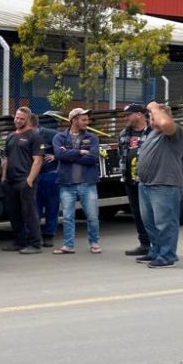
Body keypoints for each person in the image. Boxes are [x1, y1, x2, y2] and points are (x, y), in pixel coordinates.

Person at [136, 101, 183, 268]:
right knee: (150, 223)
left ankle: (167, 256)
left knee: (165, 223)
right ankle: (156, 251)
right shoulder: (153, 133)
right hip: (147, 184)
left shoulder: (174, 132)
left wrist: (154, 107)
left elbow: (165, 123)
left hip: (164, 184)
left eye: (155, 117)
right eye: (150, 117)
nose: (153, 120)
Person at [52, 107, 101, 255]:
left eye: (87, 119)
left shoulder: (92, 138)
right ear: (74, 120)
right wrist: (80, 152)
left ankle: (94, 243)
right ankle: (68, 245)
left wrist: (69, 154)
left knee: (92, 216)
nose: (87, 122)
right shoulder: (59, 137)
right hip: (67, 184)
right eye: (83, 119)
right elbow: (59, 154)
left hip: (87, 183)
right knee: (67, 216)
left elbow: (93, 158)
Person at [1, 106, 44, 255]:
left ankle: (35, 243)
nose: (18, 120)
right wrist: (4, 177)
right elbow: (5, 158)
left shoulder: (34, 136)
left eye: (21, 119)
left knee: (29, 212)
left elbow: (38, 160)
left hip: (25, 180)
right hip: (11, 181)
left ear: (28, 120)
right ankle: (20, 241)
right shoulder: (11, 136)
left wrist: (30, 180)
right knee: (14, 212)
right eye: (17, 117)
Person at [118, 104, 152, 256]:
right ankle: (144, 244)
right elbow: (122, 153)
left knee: (151, 215)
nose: (125, 118)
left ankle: (158, 246)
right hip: (130, 180)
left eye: (128, 115)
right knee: (137, 214)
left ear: (139, 114)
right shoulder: (125, 133)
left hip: (148, 181)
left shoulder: (153, 132)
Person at [33, 113, 60, 247]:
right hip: (34, 176)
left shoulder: (50, 134)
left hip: (50, 175)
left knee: (51, 206)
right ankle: (34, 236)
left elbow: (65, 147)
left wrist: (56, 156)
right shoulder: (25, 136)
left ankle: (49, 235)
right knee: (34, 207)